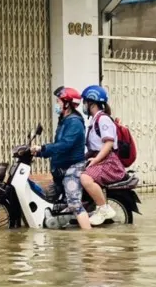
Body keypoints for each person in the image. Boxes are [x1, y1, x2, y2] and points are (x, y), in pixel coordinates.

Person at [34, 86, 92, 232]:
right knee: (48, 198)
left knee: (74, 203)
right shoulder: (64, 120)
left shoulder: (74, 122)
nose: (56, 104)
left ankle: (89, 237)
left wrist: (42, 148)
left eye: (58, 101)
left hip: (73, 168)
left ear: (67, 103)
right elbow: (57, 147)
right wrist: (38, 152)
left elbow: (65, 145)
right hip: (61, 169)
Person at [80, 84, 126, 226]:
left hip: (108, 162)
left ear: (92, 103)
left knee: (85, 178)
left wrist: (95, 160)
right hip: (99, 158)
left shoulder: (103, 119)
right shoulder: (94, 120)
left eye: (85, 102)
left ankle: (103, 208)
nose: (83, 106)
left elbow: (108, 143)